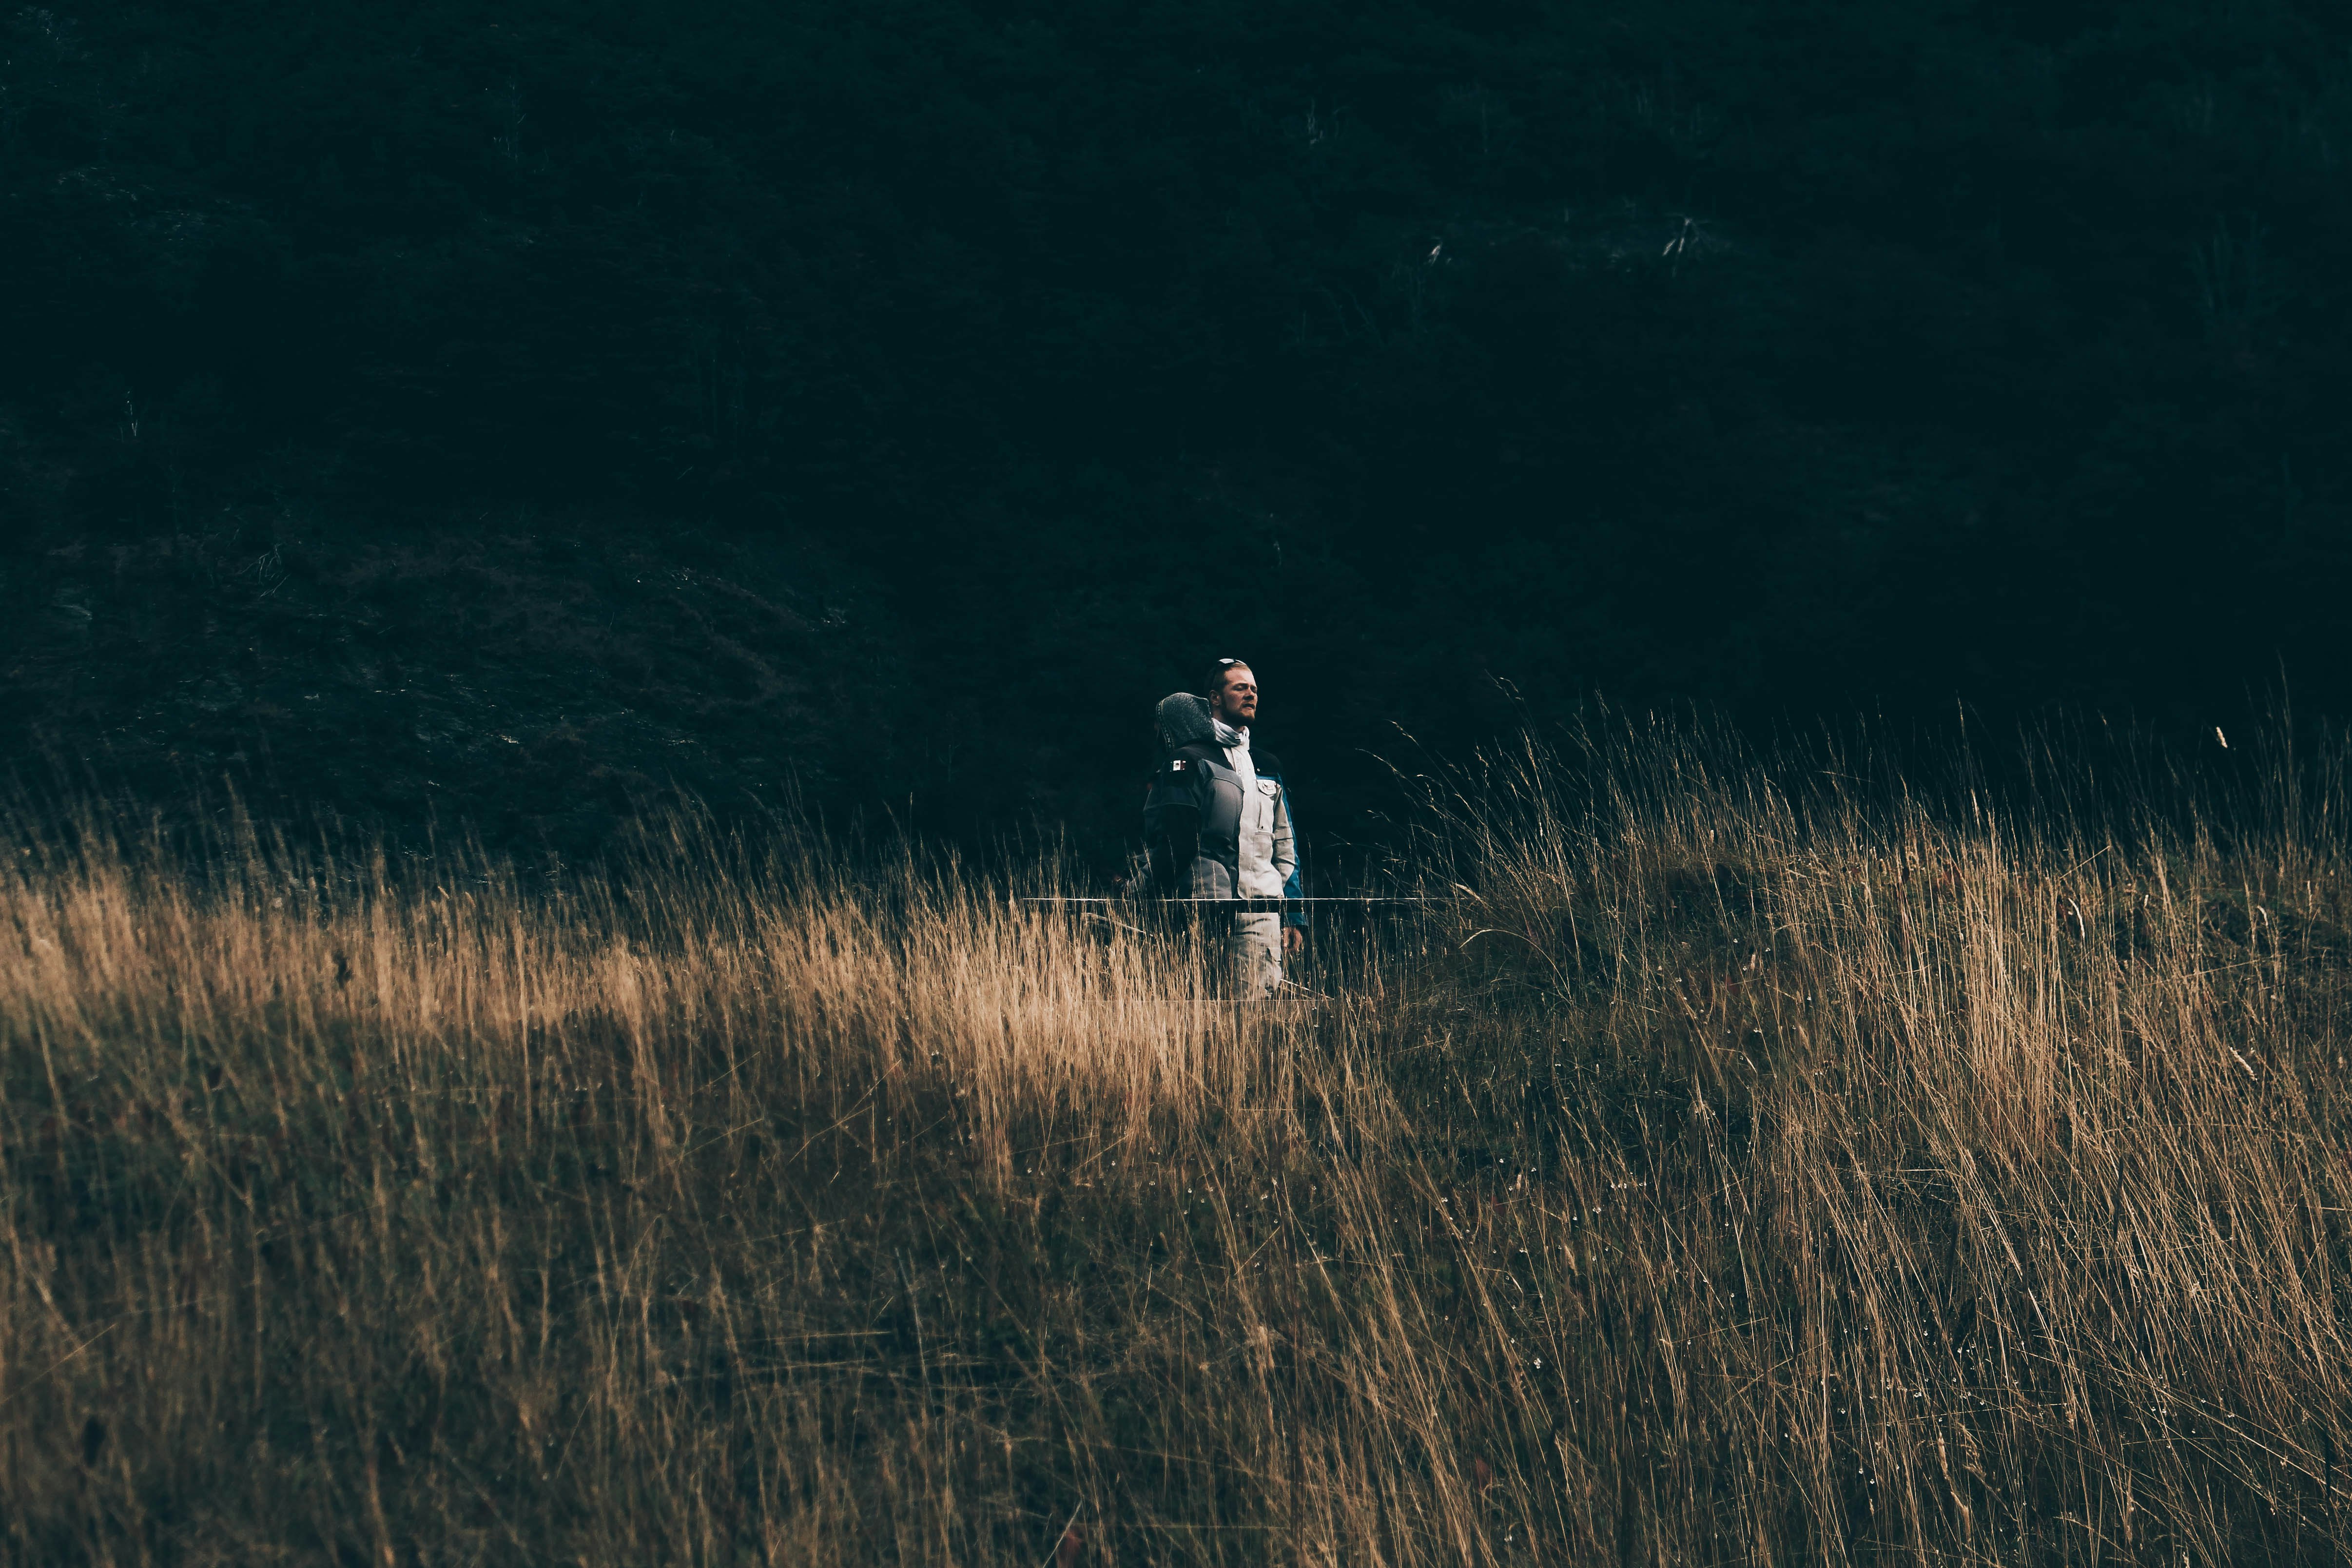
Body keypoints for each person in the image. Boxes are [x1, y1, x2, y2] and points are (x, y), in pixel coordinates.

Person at [1142, 658, 1305, 995]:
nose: (1251, 694)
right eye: (1240, 687)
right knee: (1193, 1014)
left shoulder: (1267, 764)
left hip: (1260, 910)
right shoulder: (1196, 759)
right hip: (1201, 909)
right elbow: (1174, 837)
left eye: (1255, 689)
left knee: (1250, 1021)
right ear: (1215, 698)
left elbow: (1285, 844)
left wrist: (1293, 915)